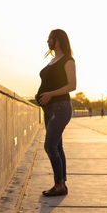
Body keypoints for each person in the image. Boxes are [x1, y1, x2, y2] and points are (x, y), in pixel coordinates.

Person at [35, 29, 76, 197]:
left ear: (60, 40)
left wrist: (50, 94)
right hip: (49, 108)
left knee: (49, 145)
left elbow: (72, 86)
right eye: (48, 38)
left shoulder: (68, 60)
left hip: (61, 107)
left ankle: (59, 184)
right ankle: (61, 184)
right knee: (57, 146)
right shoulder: (52, 60)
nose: (48, 41)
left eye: (51, 38)